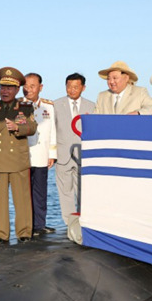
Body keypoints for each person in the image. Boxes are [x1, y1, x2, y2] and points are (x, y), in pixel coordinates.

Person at [0, 67, 37, 243]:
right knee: (0, 201)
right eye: (2, 87)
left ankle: (24, 233)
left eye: (9, 88)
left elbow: (32, 128)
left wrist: (17, 127)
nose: (5, 91)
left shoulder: (25, 108)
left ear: (17, 89)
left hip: (18, 160)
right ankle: (1, 235)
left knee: (22, 200)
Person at [53, 73, 95, 240]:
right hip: (62, 154)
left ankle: (84, 221)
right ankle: (69, 224)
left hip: (83, 154)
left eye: (76, 87)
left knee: (83, 190)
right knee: (65, 191)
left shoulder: (92, 106)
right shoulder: (56, 105)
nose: (72, 90)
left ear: (83, 88)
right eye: (69, 86)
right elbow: (51, 131)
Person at [21, 73, 57, 236]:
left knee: (40, 192)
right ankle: (27, 226)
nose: (28, 89)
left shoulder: (48, 106)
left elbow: (53, 132)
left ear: (40, 87)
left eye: (32, 86)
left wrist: (52, 154)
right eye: (25, 86)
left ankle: (39, 225)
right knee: (25, 194)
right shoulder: (18, 106)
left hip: (42, 155)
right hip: (23, 156)